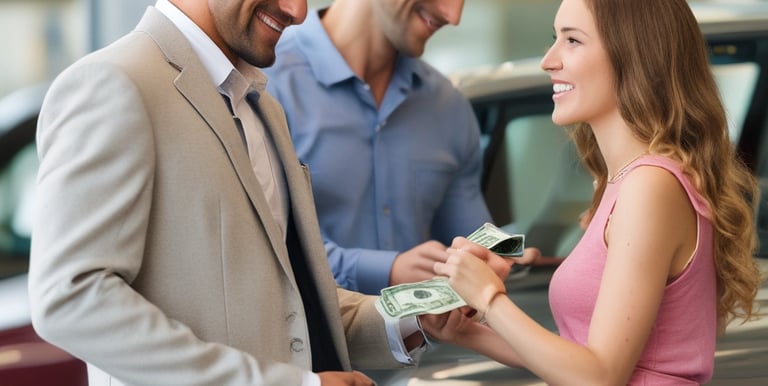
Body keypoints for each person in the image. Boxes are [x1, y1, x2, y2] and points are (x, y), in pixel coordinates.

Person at [26, 0, 495, 385]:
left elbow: (285, 299)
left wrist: (409, 319)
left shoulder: (261, 105)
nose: (298, 11)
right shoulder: (113, 82)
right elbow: (71, 299)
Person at [427, 0, 764, 384]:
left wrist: (489, 298)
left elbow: (599, 377)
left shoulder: (650, 186)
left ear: (634, 56)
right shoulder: (624, 182)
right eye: (556, 39)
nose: (548, 60)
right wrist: (466, 332)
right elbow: (580, 356)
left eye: (572, 40)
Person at [262, 0, 535, 295]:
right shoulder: (264, 85)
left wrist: (502, 252)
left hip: (427, 341)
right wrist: (387, 271)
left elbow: (471, 236)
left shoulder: (449, 106)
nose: (453, 16)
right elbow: (265, 249)